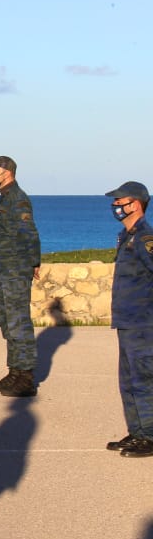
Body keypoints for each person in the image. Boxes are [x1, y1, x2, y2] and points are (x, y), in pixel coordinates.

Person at [0, 155, 41, 397]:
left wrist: (34, 262)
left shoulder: (18, 199)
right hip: (6, 269)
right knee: (10, 324)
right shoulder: (6, 198)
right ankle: (14, 372)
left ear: (7, 172)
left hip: (16, 270)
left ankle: (25, 377)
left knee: (19, 324)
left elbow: (29, 233)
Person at [104, 181, 153, 458]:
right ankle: (137, 431)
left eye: (119, 201)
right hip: (127, 320)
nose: (115, 206)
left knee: (144, 379)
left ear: (135, 203)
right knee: (128, 380)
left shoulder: (146, 238)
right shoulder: (127, 236)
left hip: (144, 322)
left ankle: (149, 436)